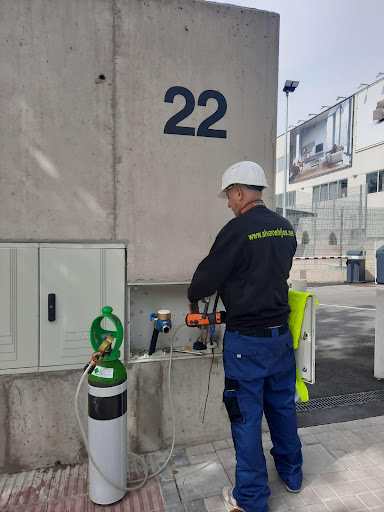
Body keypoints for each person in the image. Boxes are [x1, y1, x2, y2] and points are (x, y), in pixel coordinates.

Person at [187, 161, 303, 512]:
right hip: (281, 339)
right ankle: (293, 474)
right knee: (282, 408)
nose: (227, 204)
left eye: (228, 196)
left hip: (246, 345)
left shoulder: (236, 231)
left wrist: (194, 300)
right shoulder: (285, 228)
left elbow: (202, 283)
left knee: (247, 418)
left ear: (239, 192)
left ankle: (251, 499)